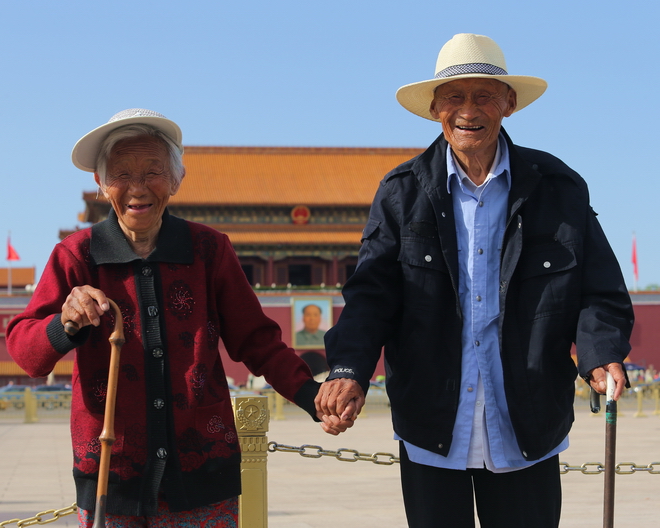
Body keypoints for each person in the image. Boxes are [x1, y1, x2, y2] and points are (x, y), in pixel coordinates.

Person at [315, 34, 634, 527]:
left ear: (509, 103)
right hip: (431, 422)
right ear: (435, 108)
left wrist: (600, 353)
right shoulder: (401, 194)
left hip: (528, 422)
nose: (468, 110)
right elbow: (370, 296)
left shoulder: (558, 188)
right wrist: (348, 369)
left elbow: (600, 289)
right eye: (454, 97)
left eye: (484, 95)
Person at [6, 108, 329, 527]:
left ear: (176, 179)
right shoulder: (77, 255)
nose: (137, 187)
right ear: (101, 183)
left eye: (153, 171)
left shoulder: (209, 250)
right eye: (121, 174)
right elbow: (26, 350)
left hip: (203, 472)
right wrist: (64, 322)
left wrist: (312, 397)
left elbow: (256, 340)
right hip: (111, 477)